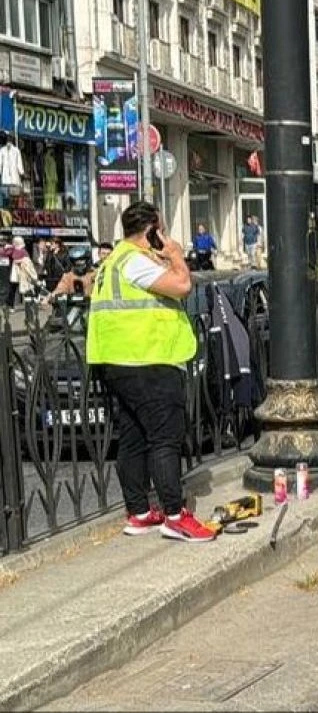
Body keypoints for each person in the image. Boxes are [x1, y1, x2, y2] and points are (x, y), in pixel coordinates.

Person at [87, 201, 211, 541]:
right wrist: (174, 254)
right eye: (162, 229)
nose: (167, 235)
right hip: (148, 361)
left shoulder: (114, 260)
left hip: (116, 360)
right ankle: (174, 515)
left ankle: (139, 513)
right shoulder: (136, 263)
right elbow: (183, 286)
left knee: (133, 437)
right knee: (165, 437)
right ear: (151, 231)